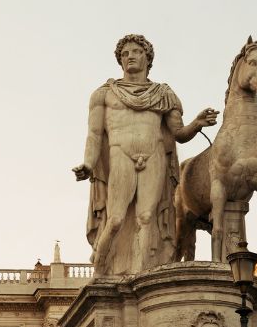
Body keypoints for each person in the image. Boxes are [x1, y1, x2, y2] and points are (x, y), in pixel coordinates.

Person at [73, 34, 218, 275]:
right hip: (121, 154)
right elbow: (95, 134)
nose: (130, 56)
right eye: (125, 53)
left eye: (136, 52)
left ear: (147, 58)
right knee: (116, 218)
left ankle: (140, 276)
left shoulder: (163, 94)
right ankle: (100, 269)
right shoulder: (104, 94)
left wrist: (198, 123)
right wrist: (88, 164)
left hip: (154, 155)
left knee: (147, 217)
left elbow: (179, 133)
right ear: (120, 61)